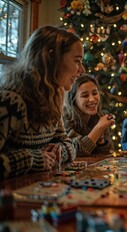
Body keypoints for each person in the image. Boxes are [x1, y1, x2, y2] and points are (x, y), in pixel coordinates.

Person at [0, 25, 85, 179]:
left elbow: (68, 145)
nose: (82, 70)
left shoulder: (51, 99)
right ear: (51, 58)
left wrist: (59, 151)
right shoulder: (10, 101)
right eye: (77, 61)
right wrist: (32, 159)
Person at [63, 74, 114, 156]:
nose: (92, 99)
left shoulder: (100, 117)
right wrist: (98, 128)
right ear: (73, 100)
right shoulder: (65, 117)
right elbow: (76, 151)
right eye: (85, 95)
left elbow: (107, 152)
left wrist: (101, 139)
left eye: (95, 93)